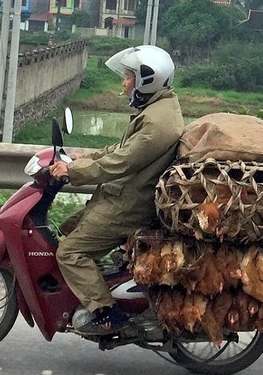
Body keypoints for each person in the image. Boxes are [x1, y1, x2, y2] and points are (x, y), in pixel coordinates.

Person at [49, 45, 185, 336]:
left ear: (147, 80)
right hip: (121, 195)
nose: (123, 84)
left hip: (128, 204)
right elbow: (119, 150)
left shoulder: (156, 123)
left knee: (70, 252)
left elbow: (122, 162)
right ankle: (99, 290)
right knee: (68, 228)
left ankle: (106, 312)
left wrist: (74, 171)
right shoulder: (156, 109)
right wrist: (82, 159)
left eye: (128, 77)